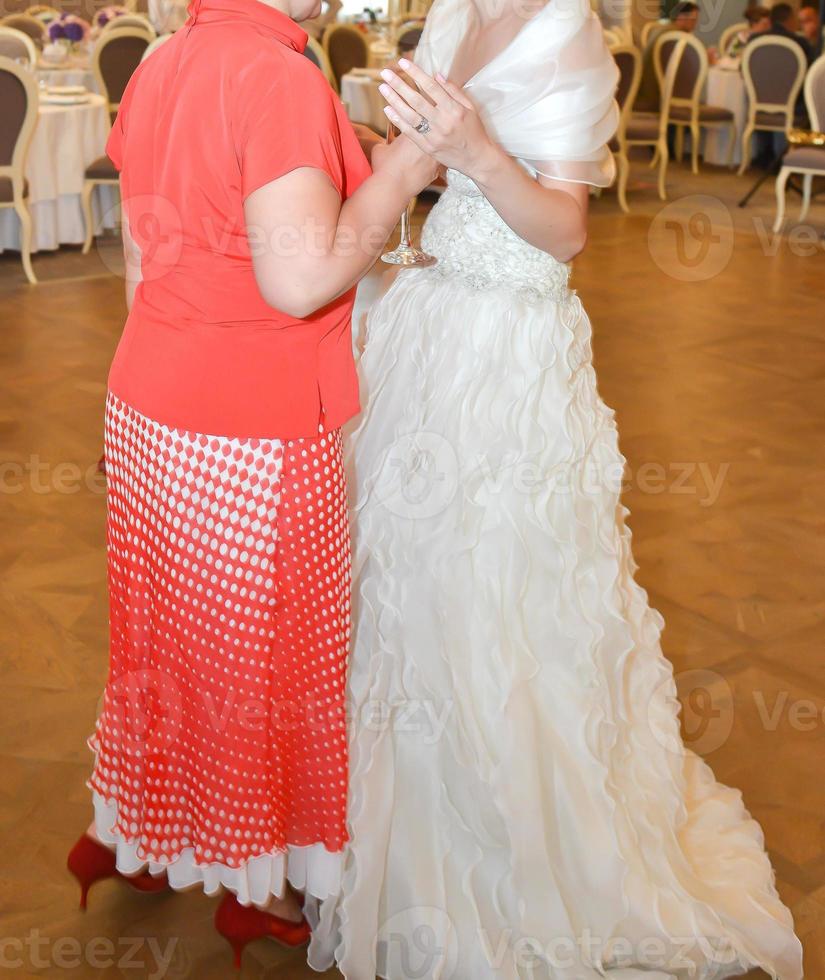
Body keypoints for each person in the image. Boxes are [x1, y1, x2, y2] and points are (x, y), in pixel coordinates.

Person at [306, 0, 806, 976]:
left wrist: (479, 151)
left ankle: (518, 846)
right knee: (409, 593)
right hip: (428, 325)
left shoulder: (567, 32)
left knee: (498, 602)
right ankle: (407, 847)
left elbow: (566, 231)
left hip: (510, 353)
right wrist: (400, 147)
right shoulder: (450, 15)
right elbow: (439, 171)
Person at [65, 0, 435, 968]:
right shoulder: (275, 77)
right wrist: (397, 174)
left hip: (150, 392)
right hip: (252, 420)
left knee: (165, 641)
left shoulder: (165, 60)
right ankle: (253, 880)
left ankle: (139, 834)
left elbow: (141, 257)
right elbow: (301, 279)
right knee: (265, 665)